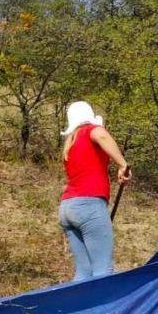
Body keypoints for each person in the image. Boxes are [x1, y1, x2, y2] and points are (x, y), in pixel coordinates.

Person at [57, 100, 132, 281]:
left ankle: (77, 308)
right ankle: (105, 310)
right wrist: (123, 164)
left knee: (84, 272)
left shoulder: (71, 142)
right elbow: (101, 135)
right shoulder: (90, 130)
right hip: (89, 205)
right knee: (102, 271)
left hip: (67, 207)